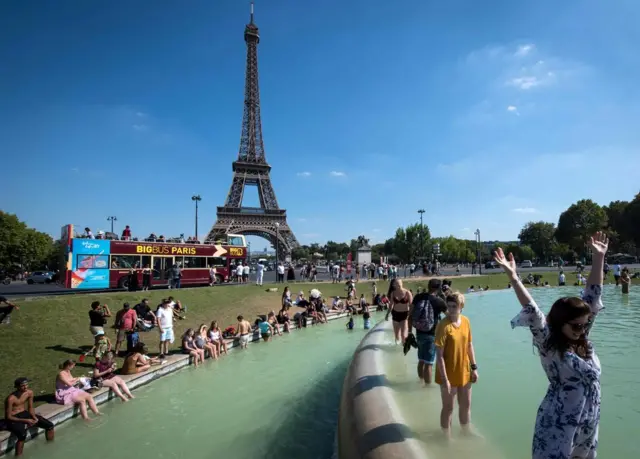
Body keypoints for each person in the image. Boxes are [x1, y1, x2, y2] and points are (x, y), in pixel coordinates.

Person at [493, 231, 608, 459]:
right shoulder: (550, 343)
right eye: (576, 326)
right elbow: (533, 311)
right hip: (559, 426)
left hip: (587, 425)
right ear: (560, 322)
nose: (583, 330)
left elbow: (592, 297)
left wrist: (598, 259)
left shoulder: (582, 338)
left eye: (585, 325)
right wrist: (514, 277)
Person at [434, 291, 477, 435]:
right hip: (448, 373)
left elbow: (469, 345)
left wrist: (474, 367)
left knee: (465, 405)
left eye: (454, 306)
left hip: (464, 370)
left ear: (461, 306)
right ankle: (446, 436)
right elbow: (439, 355)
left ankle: (466, 432)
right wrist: (445, 380)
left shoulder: (466, 321)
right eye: (449, 306)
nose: (451, 309)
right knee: (448, 408)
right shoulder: (443, 325)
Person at [408, 278, 447, 384]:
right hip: (432, 334)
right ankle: (427, 387)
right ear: (438, 288)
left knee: (421, 360)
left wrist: (409, 331)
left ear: (428, 286)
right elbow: (450, 317)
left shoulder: (418, 297)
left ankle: (420, 381)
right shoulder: (439, 301)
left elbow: (410, 315)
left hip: (419, 332)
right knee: (429, 363)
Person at [4, 378, 55, 456]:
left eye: (26, 385)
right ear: (16, 387)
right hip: (14, 417)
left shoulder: (29, 393)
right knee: (22, 435)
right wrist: (26, 420)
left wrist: (34, 417)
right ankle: (18, 456)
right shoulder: (11, 399)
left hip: (24, 413)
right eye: (22, 386)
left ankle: (50, 447)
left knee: (49, 425)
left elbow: (30, 407)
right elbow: (8, 417)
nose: (25, 387)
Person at [385, 279, 413, 344]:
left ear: (402, 283)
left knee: (403, 335)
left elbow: (411, 305)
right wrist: (387, 314)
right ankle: (396, 349)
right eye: (397, 284)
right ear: (394, 285)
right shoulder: (393, 293)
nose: (398, 285)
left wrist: (410, 315)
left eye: (399, 283)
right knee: (397, 336)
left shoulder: (407, 292)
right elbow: (391, 304)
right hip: (395, 314)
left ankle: (404, 348)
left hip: (404, 315)